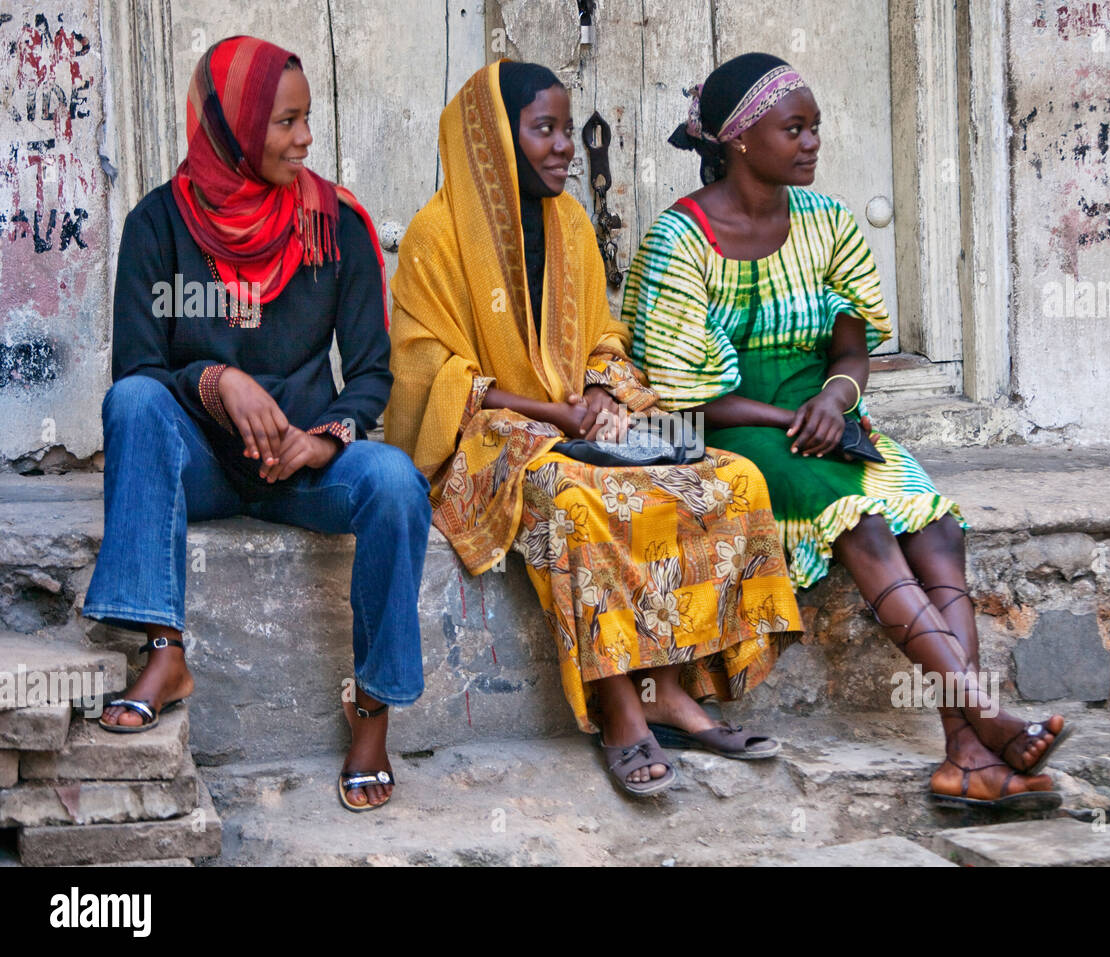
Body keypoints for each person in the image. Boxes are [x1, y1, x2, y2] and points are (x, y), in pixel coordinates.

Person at [623, 52, 1071, 808]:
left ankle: (964, 750)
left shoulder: (829, 223)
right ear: (736, 140)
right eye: (793, 128)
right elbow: (679, 394)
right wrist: (796, 419)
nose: (811, 142)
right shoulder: (680, 239)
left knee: (936, 527)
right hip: (737, 426)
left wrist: (834, 400)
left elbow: (853, 350)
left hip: (828, 416)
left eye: (815, 127)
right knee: (860, 520)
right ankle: (985, 714)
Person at [384, 60, 803, 797]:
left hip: (578, 424)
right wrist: (553, 412)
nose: (562, 148)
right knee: (577, 502)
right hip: (487, 437)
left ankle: (668, 691)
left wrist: (607, 392)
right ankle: (618, 709)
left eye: (566, 130)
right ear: (491, 138)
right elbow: (432, 374)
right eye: (542, 129)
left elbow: (603, 338)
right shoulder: (435, 233)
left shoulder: (571, 220)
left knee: (726, 478)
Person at [82, 36, 432, 813]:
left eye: (307, 120)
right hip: (203, 467)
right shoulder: (157, 225)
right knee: (134, 407)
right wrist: (214, 380)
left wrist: (323, 438)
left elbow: (372, 371)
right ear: (234, 125)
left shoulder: (334, 225)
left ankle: (372, 709)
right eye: (284, 122)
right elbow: (137, 370)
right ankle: (164, 651)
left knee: (397, 484)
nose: (304, 139)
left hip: (307, 469)